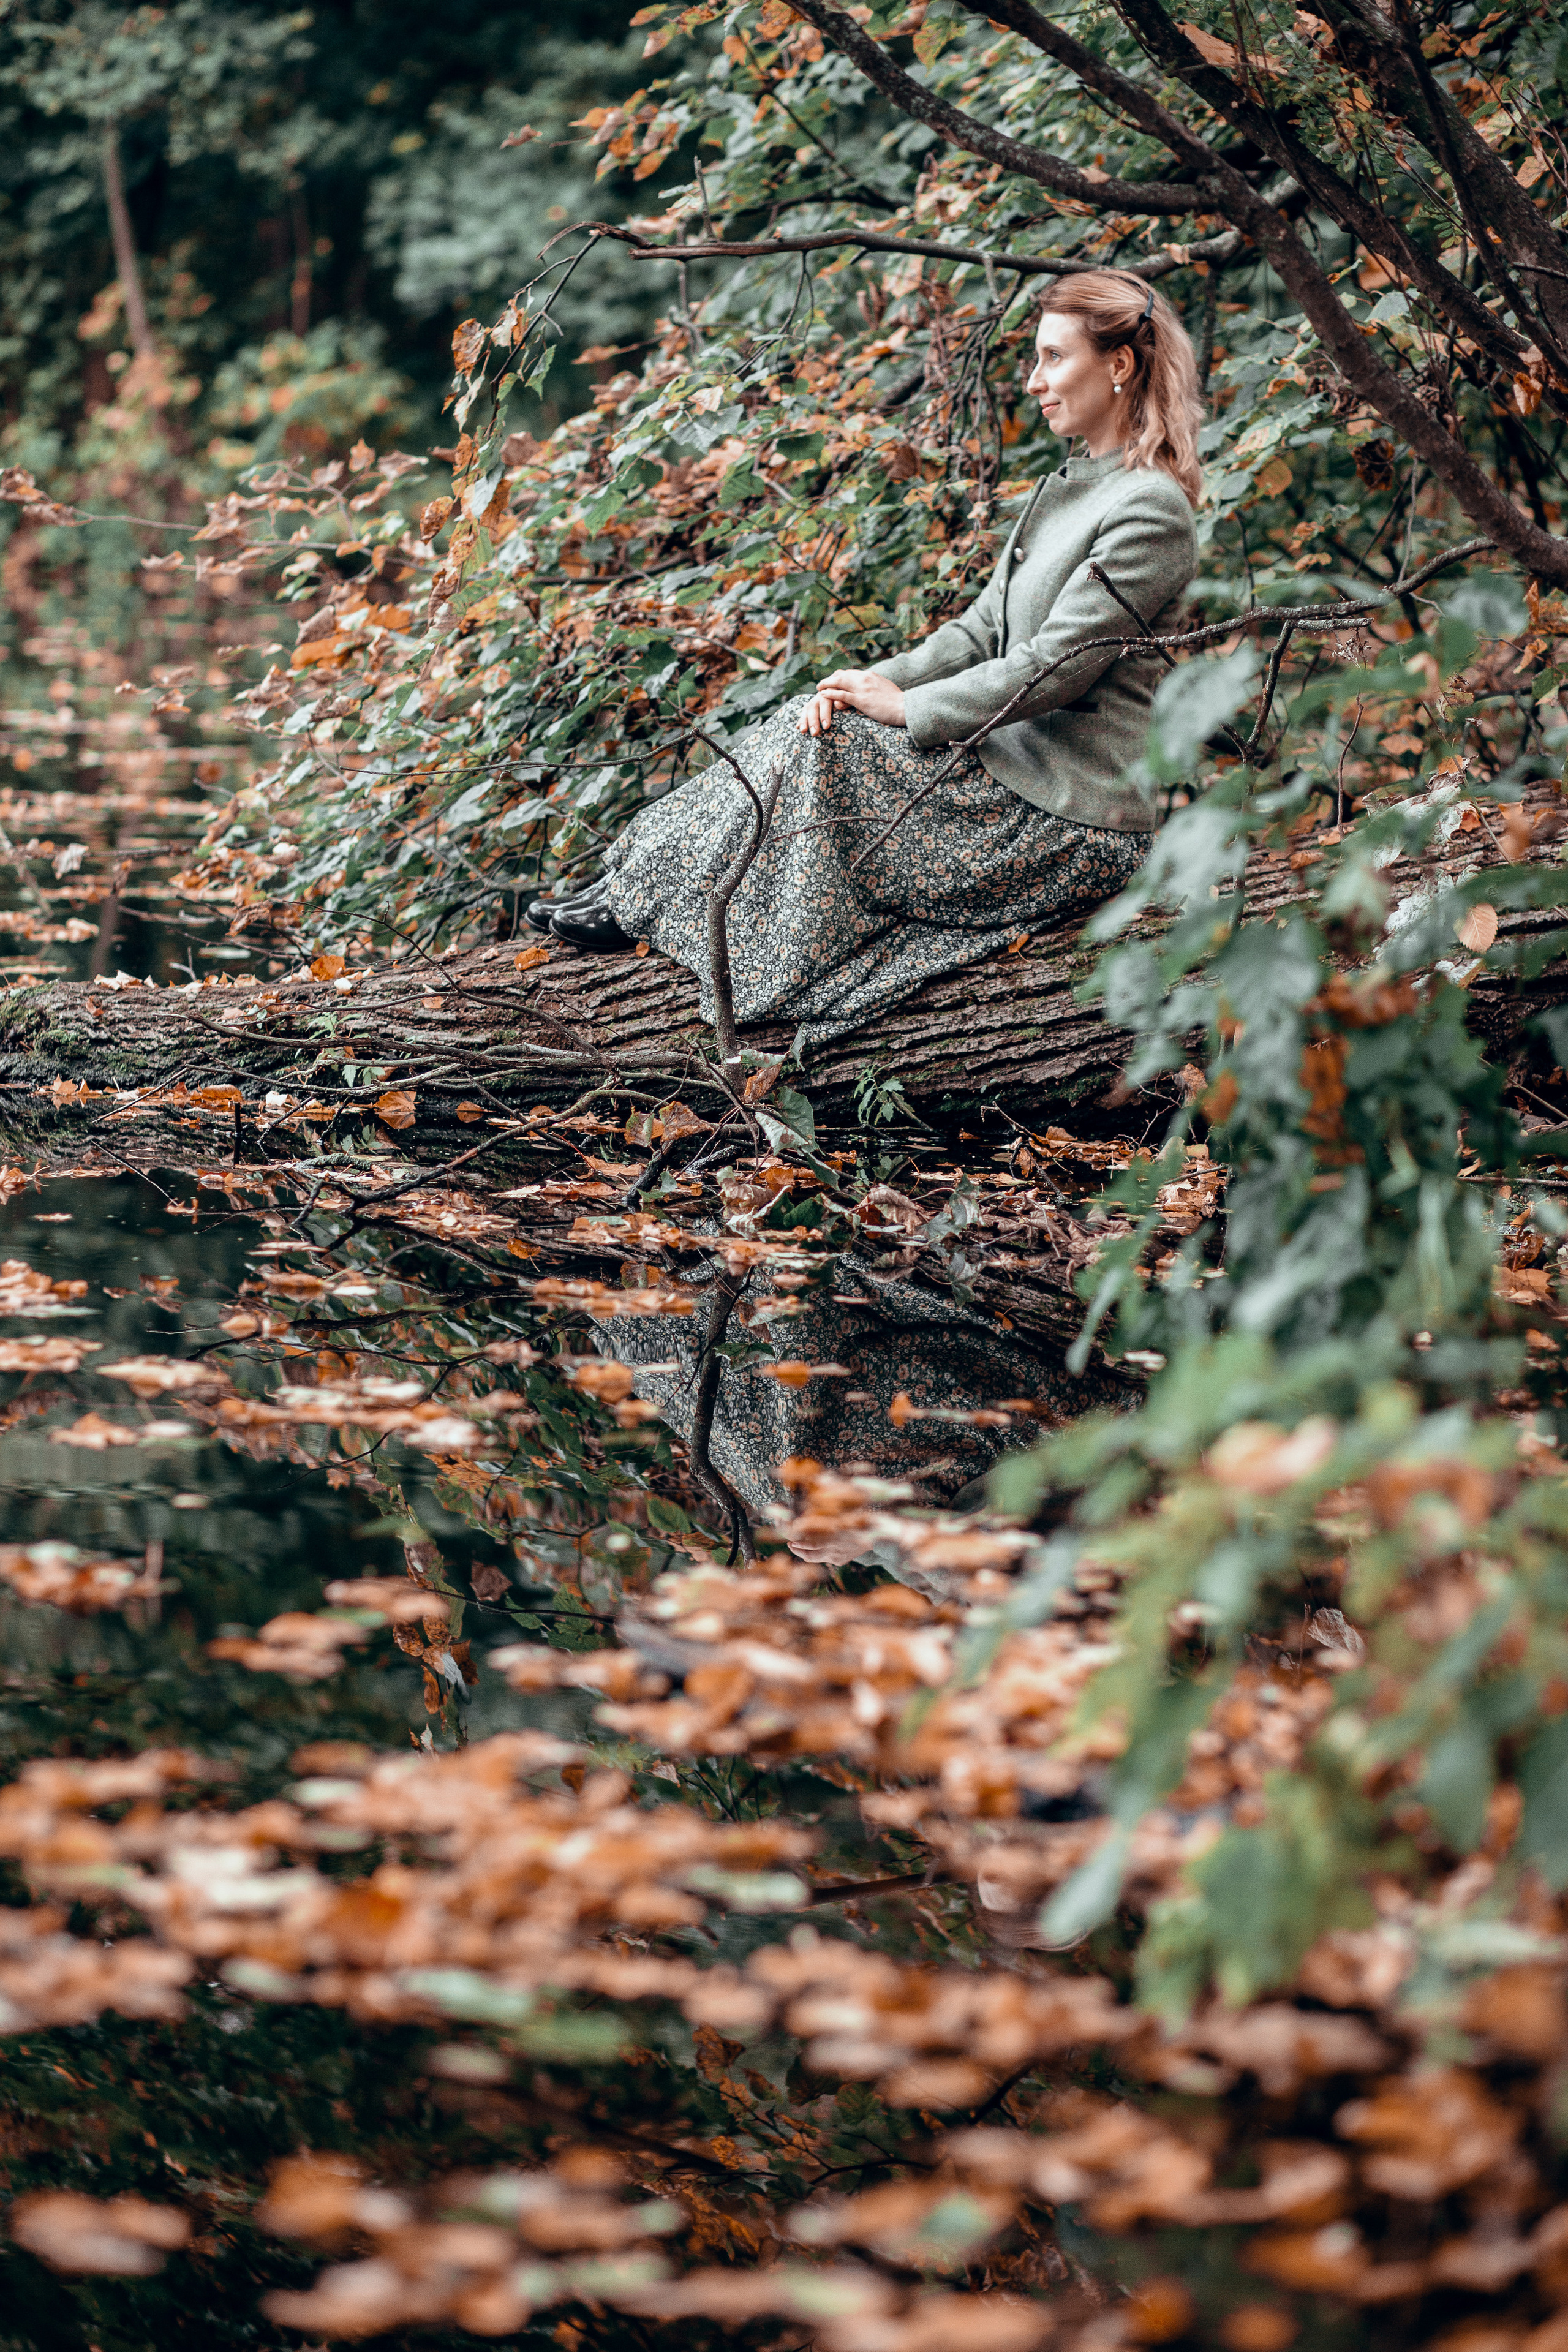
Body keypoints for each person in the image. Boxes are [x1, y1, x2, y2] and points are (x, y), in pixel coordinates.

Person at [529, 268, 1202, 1054]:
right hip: (1008, 775)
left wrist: (909, 711)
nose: (1035, 382)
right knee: (814, 716)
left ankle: (652, 904)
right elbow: (985, 627)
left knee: (832, 751)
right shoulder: (1072, 484)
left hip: (1073, 816)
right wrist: (878, 683)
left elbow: (1060, 664)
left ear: (1118, 366)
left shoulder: (1149, 507)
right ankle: (631, 883)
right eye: (1036, 360)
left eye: (1053, 358)